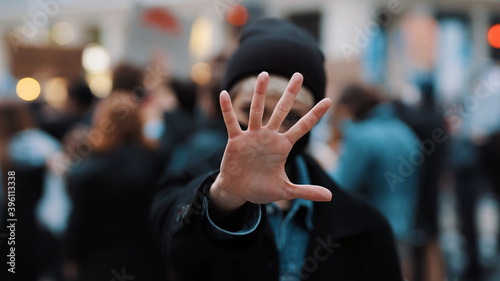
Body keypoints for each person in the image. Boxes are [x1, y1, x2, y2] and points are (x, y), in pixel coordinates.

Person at [150, 18, 402, 281]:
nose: (270, 133)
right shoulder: (183, 185)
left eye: (292, 116)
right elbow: (172, 244)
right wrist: (223, 199)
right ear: (227, 106)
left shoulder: (365, 224)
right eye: (252, 111)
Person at [63, 93, 165, 281]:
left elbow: (79, 221)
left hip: (99, 262)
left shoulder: (88, 172)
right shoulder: (157, 162)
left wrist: (70, 257)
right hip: (145, 259)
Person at [328, 84, 419, 277]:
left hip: (371, 225)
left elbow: (341, 185)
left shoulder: (360, 136)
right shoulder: (404, 131)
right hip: (405, 221)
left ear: (347, 108)